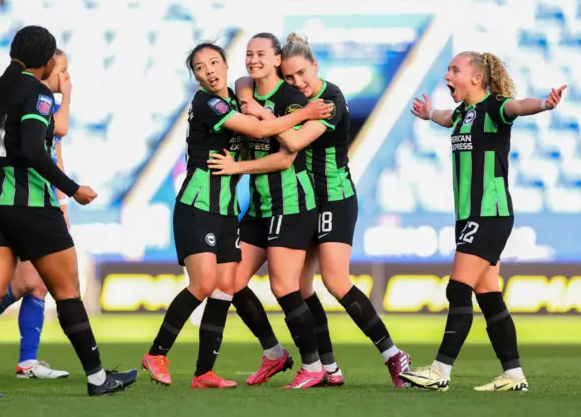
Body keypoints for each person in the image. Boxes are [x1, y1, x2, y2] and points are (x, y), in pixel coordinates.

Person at [209, 33, 411, 388]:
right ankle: (326, 368)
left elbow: (294, 141)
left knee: (335, 281)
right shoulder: (289, 100)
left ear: (315, 65)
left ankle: (393, 354)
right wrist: (247, 97)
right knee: (297, 288)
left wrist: (259, 112)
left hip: (333, 197)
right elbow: (244, 81)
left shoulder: (329, 100)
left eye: (302, 73)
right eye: (288, 77)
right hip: (300, 201)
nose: (297, 82)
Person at [0, 25, 137, 398]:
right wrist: (74, 189)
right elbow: (35, 151)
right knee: (68, 293)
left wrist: (0, 170)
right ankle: (98, 379)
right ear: (48, 60)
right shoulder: (37, 95)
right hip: (32, 207)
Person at [140, 42, 330, 389]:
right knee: (202, 285)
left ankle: (203, 373)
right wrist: (305, 113)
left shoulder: (235, 98)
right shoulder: (207, 102)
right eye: (200, 67)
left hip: (227, 210)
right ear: (195, 76)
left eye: (214, 62)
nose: (209, 71)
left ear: (226, 66)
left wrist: (250, 98)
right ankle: (157, 353)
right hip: (199, 205)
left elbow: (250, 94)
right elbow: (259, 131)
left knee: (227, 287)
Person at [398, 51, 566, 392]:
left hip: (490, 213)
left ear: (476, 78)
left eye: (454, 70)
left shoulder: (494, 108)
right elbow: (447, 118)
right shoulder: (462, 113)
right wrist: (428, 114)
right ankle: (513, 374)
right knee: (488, 294)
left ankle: (440, 370)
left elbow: (518, 107)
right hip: (470, 216)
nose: (448, 76)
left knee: (457, 287)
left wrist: (545, 105)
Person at [0, 48, 71, 380]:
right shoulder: (35, 102)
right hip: (24, 202)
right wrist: (69, 96)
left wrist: (63, 204)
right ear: (46, 68)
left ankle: (27, 362)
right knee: (29, 283)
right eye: (62, 70)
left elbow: (57, 155)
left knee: (35, 285)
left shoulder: (40, 103)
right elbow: (60, 131)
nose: (66, 77)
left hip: (42, 201)